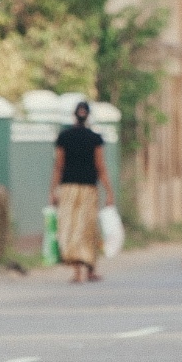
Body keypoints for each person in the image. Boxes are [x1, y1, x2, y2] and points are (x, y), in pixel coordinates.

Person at [49, 101, 115, 284]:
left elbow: (58, 167)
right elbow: (100, 167)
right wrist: (109, 192)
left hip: (68, 189)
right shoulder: (95, 138)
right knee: (88, 228)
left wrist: (52, 191)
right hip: (88, 189)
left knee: (71, 228)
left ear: (74, 115)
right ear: (88, 116)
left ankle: (77, 272)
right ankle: (90, 269)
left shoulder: (64, 137)